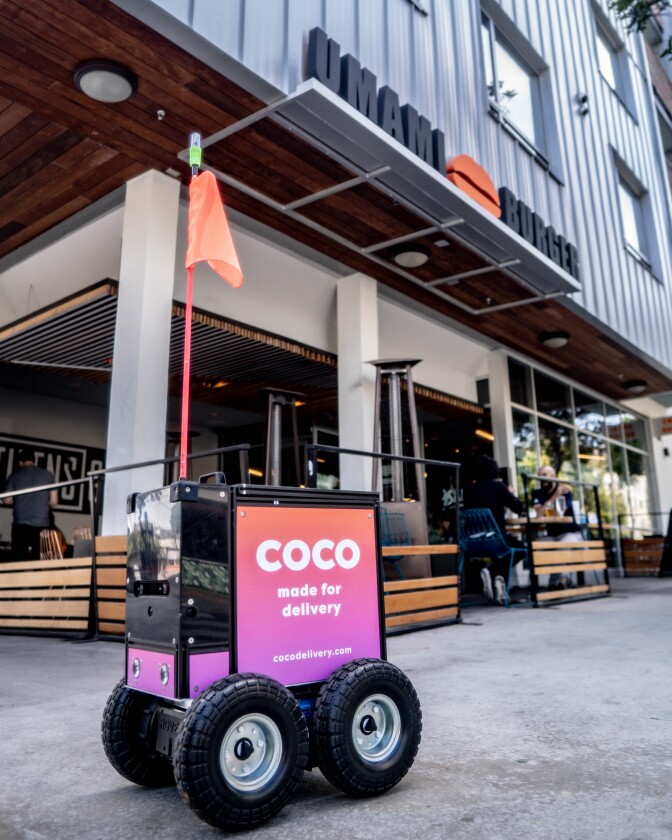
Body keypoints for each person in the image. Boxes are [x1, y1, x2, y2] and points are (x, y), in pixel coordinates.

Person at [463, 454, 525, 604]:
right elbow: (518, 508)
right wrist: (509, 493)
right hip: (495, 540)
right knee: (521, 549)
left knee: (509, 547)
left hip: (471, 543)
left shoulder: (468, 489)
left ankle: (500, 589)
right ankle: (493, 572)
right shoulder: (498, 487)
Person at [532, 464, 583, 589]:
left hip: (570, 533)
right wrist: (553, 498)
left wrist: (546, 507)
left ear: (554, 477)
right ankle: (534, 586)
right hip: (551, 535)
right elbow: (539, 515)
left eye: (545, 475)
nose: (541, 478)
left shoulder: (565, 491)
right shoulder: (537, 493)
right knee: (533, 546)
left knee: (561, 546)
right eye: (539, 475)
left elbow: (559, 514)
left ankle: (558, 582)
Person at [2, 448, 58, 560]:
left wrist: (17, 500)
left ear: (20, 462)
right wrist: (41, 502)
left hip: (21, 525)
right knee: (38, 560)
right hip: (42, 525)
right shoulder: (48, 475)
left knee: (19, 560)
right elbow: (54, 501)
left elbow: (7, 500)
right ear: (34, 460)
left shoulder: (14, 476)